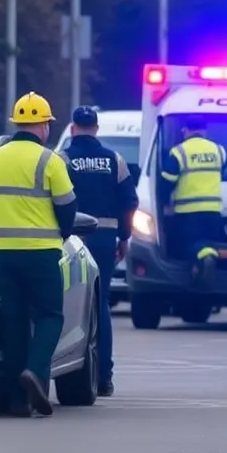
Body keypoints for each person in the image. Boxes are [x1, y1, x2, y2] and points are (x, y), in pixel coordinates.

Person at [0, 91, 78, 417]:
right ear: (44, 127)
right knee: (50, 316)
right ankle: (35, 373)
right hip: (41, 253)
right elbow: (67, 207)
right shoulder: (50, 160)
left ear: (18, 123)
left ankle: (16, 402)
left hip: (4, 254)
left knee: (14, 322)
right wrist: (60, 234)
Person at [58, 105, 139, 397]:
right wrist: (124, 237)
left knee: (66, 302)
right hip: (105, 237)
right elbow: (130, 200)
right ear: (96, 128)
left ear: (72, 128)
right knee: (99, 303)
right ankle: (103, 376)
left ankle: (67, 365)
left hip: (71, 238)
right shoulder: (113, 159)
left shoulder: (63, 158)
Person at [159, 114, 227, 289]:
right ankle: (203, 265)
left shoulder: (179, 152)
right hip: (213, 209)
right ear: (204, 131)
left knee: (187, 244)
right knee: (209, 241)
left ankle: (203, 260)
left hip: (187, 210)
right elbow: (222, 170)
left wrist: (164, 202)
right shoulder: (219, 150)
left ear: (185, 131)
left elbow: (167, 180)